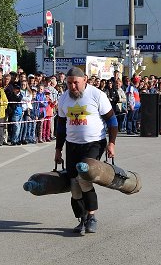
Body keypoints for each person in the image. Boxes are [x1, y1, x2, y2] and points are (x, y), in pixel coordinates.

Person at [54, 67, 118, 235]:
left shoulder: (97, 95)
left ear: (85, 80)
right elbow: (61, 126)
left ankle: (92, 216)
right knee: (74, 184)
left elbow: (112, 121)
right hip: (72, 145)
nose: (72, 86)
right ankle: (81, 218)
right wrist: (58, 149)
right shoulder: (63, 99)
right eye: (69, 83)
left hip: (94, 143)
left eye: (76, 83)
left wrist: (111, 144)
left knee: (83, 178)